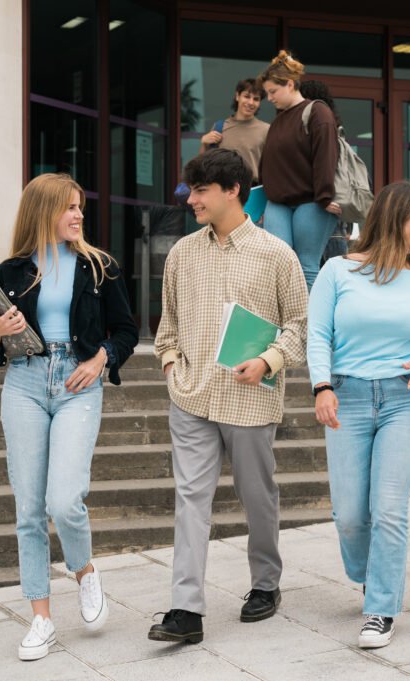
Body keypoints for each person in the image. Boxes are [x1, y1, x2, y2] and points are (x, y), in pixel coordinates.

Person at [0, 173, 138, 661]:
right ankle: (41, 617)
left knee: (64, 499)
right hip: (24, 381)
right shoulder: (11, 271)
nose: (78, 215)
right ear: (43, 212)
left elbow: (125, 332)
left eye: (80, 206)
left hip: (77, 382)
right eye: (68, 207)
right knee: (28, 508)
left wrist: (100, 358)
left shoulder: (99, 266)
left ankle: (83, 570)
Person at [149, 148, 308, 644]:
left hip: (251, 401)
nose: (190, 199)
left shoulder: (277, 254)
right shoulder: (181, 254)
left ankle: (266, 583)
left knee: (257, 497)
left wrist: (268, 361)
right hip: (192, 397)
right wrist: (172, 365)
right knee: (190, 499)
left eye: (200, 190)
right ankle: (186, 610)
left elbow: (300, 327)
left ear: (233, 190)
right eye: (191, 189)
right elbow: (167, 326)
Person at [308, 181, 410, 649]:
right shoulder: (337, 271)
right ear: (393, 216)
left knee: (388, 510)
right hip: (346, 395)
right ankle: (372, 575)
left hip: (405, 399)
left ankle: (381, 609)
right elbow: (318, 335)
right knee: (351, 515)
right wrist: (322, 386)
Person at [258, 51, 340, 288]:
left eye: (273, 92)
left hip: (312, 201)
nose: (269, 98)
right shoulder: (278, 121)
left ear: (290, 84)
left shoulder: (317, 112)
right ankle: (282, 324)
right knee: (278, 266)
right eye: (267, 93)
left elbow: (326, 157)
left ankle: (308, 325)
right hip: (278, 203)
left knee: (306, 266)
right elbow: (269, 165)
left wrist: (324, 196)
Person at [297, 79, 351, 263]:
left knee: (313, 270)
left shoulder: (319, 129)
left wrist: (322, 197)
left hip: (321, 207)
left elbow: (322, 168)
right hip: (333, 211)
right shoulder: (334, 129)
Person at [198, 77, 269, 185]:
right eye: (246, 96)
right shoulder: (219, 127)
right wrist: (204, 142)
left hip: (253, 190)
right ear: (237, 96)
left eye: (256, 99)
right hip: (223, 188)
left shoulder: (266, 130)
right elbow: (203, 164)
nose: (251, 102)